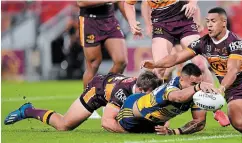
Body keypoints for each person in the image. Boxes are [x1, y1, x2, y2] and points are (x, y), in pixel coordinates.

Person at [142, 7, 242, 133]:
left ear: (223, 22)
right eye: (207, 21)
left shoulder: (235, 43)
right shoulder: (202, 43)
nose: (209, 25)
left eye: (213, 21)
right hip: (233, 90)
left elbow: (232, 71)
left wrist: (222, 88)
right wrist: (157, 64)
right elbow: (177, 57)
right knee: (240, 125)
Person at [127, 0, 230, 126]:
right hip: (161, 23)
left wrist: (192, 4)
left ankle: (216, 109)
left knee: (200, 64)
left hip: (183, 19)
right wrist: (133, 23)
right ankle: (157, 114)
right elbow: (129, 3)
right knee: (159, 70)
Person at [4, 72, 162, 131]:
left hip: (110, 84)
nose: (152, 97)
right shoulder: (122, 92)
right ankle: (28, 110)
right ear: (140, 90)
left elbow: (158, 111)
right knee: (64, 125)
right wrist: (133, 132)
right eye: (150, 94)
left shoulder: (142, 87)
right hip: (97, 91)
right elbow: (106, 122)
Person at [103, 63, 218, 134]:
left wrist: (174, 132)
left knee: (152, 132)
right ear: (182, 79)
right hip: (132, 111)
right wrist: (198, 87)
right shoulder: (172, 87)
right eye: (193, 83)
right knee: (128, 131)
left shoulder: (195, 93)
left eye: (198, 83)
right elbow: (178, 97)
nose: (196, 87)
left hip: (154, 120)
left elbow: (199, 122)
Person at [77, 1, 128, 118]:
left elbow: (121, 2)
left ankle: (107, 97)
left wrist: (131, 21)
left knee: (121, 61)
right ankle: (88, 103)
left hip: (109, 20)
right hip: (90, 20)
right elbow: (81, 2)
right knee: (93, 64)